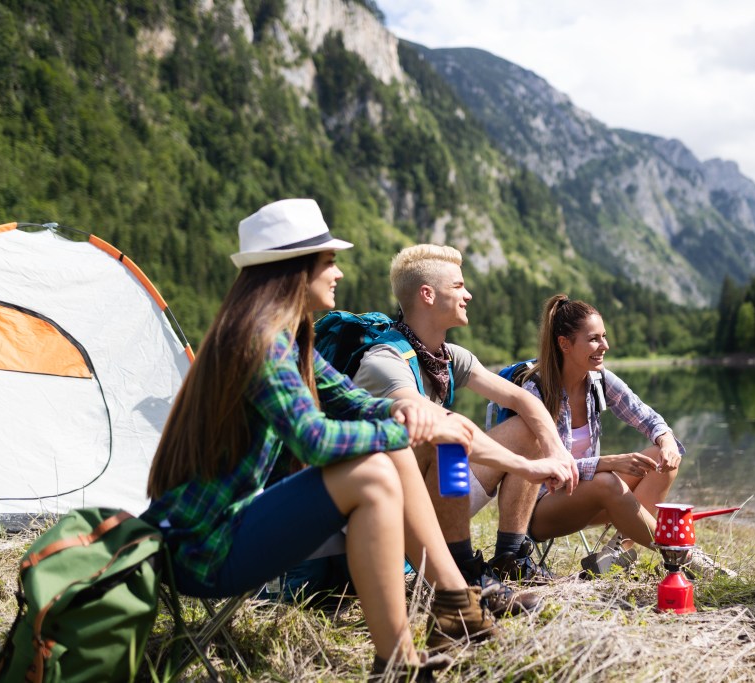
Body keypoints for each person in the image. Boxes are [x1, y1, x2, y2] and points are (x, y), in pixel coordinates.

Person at [142, 200, 496, 680]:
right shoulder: (259, 341)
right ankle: (425, 632)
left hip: (229, 528)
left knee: (390, 452)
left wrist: (404, 412)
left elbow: (350, 398)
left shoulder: (286, 338)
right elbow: (313, 439)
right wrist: (415, 427)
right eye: (328, 261)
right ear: (295, 269)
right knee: (377, 466)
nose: (339, 272)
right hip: (204, 549)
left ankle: (446, 607)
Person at [350, 244, 578, 611]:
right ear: (427, 294)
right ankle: (461, 574)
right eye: (458, 286)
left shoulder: (448, 357)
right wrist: (527, 467)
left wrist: (555, 451)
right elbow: (439, 424)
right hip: (379, 517)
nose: (468, 294)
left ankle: (509, 558)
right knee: (444, 437)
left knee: (529, 428)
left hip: (427, 498)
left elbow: (525, 401)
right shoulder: (385, 361)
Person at [518, 295, 684, 550]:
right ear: (565, 344)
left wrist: (667, 442)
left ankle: (618, 553)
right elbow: (543, 468)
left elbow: (646, 416)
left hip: (592, 497)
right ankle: (678, 553)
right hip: (541, 508)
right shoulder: (536, 390)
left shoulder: (599, 380)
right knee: (606, 481)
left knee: (662, 462)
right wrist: (607, 463)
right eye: (594, 339)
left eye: (604, 336)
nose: (605, 345)